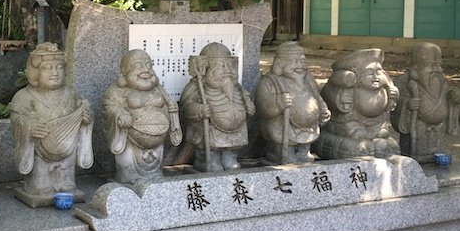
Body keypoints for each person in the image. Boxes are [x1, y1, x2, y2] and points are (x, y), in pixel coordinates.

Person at [9, 43, 93, 206]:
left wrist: (86, 122)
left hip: (66, 149)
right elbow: (17, 119)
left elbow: (82, 119)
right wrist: (29, 127)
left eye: (59, 68)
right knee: (41, 184)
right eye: (47, 68)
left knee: (67, 185)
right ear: (35, 73)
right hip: (40, 151)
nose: (55, 73)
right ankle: (39, 184)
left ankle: (65, 182)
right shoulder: (24, 96)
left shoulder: (71, 94)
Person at [102, 49, 182, 184]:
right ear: (124, 71)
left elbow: (166, 106)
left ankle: (155, 174)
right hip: (130, 139)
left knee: (156, 172)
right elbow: (108, 106)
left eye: (149, 65)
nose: (145, 70)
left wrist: (171, 111)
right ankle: (129, 177)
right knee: (128, 163)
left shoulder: (159, 89)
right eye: (138, 66)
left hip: (157, 139)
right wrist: (120, 114)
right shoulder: (117, 90)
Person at [180, 42, 255, 171]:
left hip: (235, 129)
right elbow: (185, 106)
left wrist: (248, 105)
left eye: (229, 65)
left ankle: (229, 157)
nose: (227, 71)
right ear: (206, 69)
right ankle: (205, 160)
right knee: (213, 163)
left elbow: (246, 97)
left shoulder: (237, 88)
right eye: (221, 66)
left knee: (231, 162)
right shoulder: (196, 87)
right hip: (209, 130)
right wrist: (198, 110)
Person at [313, 48, 400, 159]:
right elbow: (330, 98)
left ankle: (375, 142)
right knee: (357, 135)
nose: (375, 77)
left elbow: (391, 106)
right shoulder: (346, 86)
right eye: (369, 73)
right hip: (348, 121)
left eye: (378, 72)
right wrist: (341, 98)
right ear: (356, 74)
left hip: (377, 122)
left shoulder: (384, 86)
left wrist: (393, 95)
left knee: (383, 136)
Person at [255, 41, 331, 164]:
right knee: (284, 147)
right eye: (294, 61)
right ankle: (281, 152)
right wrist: (278, 102)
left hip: (308, 126)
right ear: (279, 63)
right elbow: (262, 106)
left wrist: (323, 109)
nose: (300, 65)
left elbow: (316, 96)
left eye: (302, 61)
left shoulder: (308, 79)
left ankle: (304, 152)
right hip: (283, 127)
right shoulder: (270, 82)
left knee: (305, 151)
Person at [391, 42, 460, 159]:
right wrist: (407, 104)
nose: (435, 70)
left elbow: (450, 99)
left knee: (436, 151)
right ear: (416, 67)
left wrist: (455, 100)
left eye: (438, 65)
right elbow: (394, 103)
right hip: (416, 130)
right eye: (430, 65)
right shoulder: (403, 82)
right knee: (411, 151)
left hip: (438, 128)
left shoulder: (442, 85)